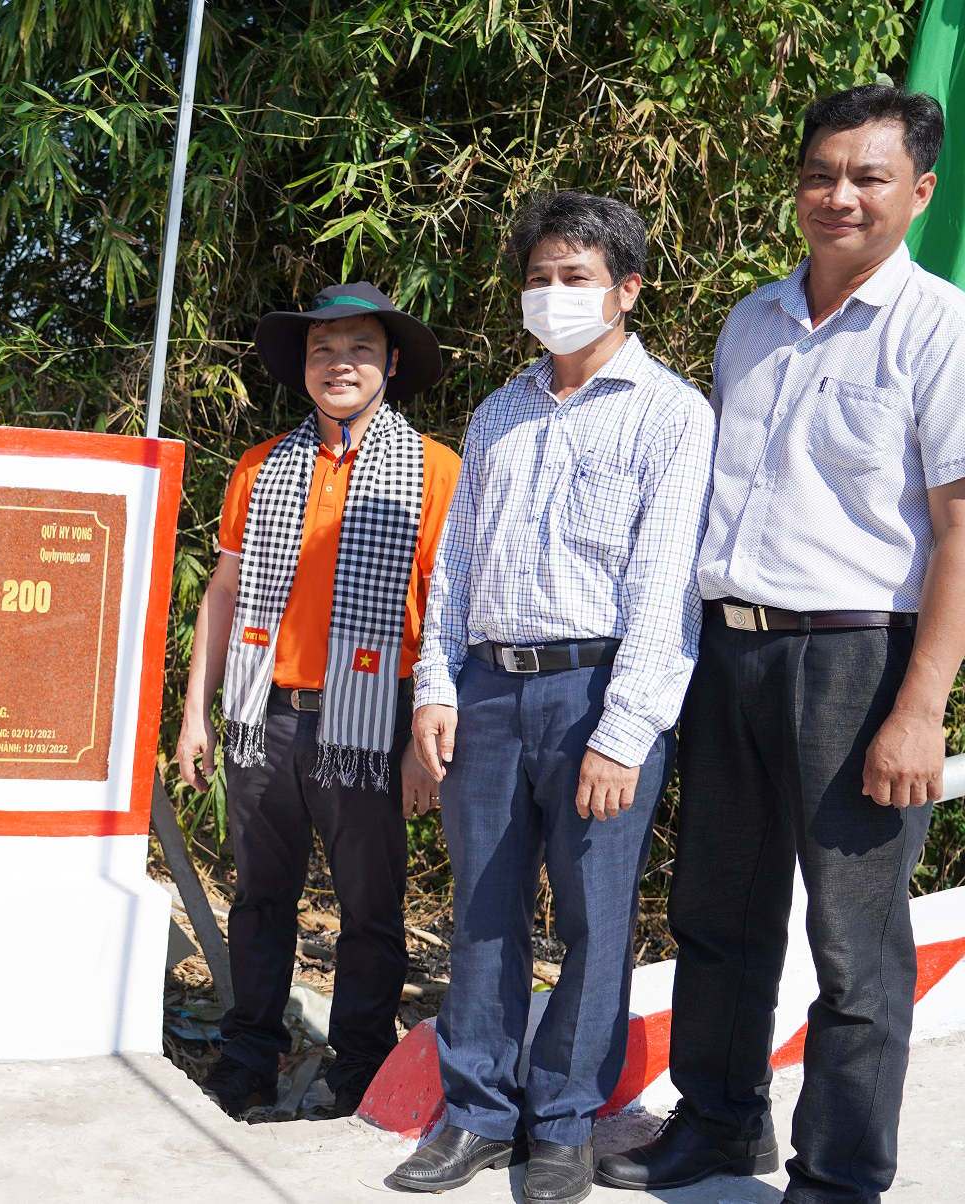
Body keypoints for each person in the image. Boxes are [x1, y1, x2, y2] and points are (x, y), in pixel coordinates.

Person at [597, 85, 965, 1204]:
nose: (837, 194)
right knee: (714, 912)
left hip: (857, 662)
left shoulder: (938, 327)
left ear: (919, 190)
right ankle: (716, 1123)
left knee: (854, 951)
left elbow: (957, 529)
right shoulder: (747, 321)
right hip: (730, 652)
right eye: (819, 173)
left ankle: (838, 1176)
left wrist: (918, 706)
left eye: (866, 175)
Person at [386, 192, 715, 1203]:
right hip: (487, 685)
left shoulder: (669, 413)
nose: (551, 295)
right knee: (481, 910)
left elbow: (663, 591)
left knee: (592, 919)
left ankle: (563, 1120)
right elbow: (451, 571)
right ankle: (478, 1113)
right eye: (537, 277)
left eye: (574, 277)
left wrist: (623, 733)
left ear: (626, 287)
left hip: (595, 693)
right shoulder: (499, 411)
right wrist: (435, 686)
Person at [175, 283, 459, 1119]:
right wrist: (197, 710)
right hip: (264, 714)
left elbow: (450, 610)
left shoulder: (435, 470)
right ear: (304, 367)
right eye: (322, 350)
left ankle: (359, 1065)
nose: (340, 363)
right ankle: (248, 1058)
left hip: (372, 720)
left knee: (372, 907)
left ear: (391, 363)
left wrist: (425, 734)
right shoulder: (261, 466)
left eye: (360, 348)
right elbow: (223, 590)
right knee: (261, 898)